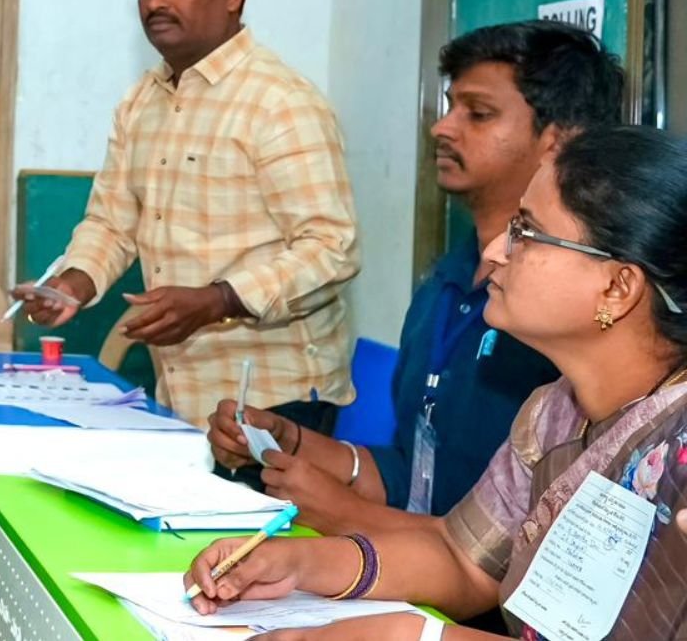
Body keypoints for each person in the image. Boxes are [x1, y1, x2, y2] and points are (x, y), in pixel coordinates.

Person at [185, 125, 687, 640]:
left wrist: (410, 636)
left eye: (526, 233)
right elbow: (464, 559)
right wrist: (299, 563)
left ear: (617, 287)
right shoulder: (553, 412)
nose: (495, 251)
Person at [206, 21, 621, 537]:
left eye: (478, 113)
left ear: (557, 142)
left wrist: (351, 517)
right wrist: (292, 443)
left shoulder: (570, 313)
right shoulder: (444, 284)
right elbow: (417, 474)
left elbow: (526, 543)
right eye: (449, 107)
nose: (442, 128)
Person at [18, 0, 361, 464]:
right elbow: (111, 222)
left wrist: (217, 301)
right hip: (183, 394)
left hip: (277, 401)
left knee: (252, 528)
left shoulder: (281, 103)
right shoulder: (141, 102)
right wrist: (73, 284)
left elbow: (330, 249)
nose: (155, 2)